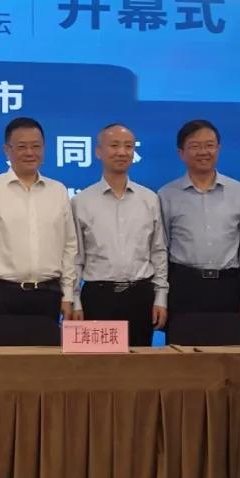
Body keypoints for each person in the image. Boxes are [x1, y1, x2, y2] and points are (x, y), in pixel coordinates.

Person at [0, 117, 76, 321]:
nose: (30, 153)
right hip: (2, 294)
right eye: (22, 147)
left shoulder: (58, 191)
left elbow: (69, 246)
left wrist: (68, 294)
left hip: (49, 294)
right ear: (7, 150)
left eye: (36, 146)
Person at [71, 123, 168, 346]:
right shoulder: (81, 202)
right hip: (98, 298)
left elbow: (158, 252)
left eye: (128, 146)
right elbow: (75, 259)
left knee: (139, 364)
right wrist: (75, 300)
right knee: (97, 364)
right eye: (114, 145)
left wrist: (160, 297)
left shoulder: (149, 199)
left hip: (140, 296)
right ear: (99, 152)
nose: (122, 152)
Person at [158, 120, 240, 339]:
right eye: (195, 146)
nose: (203, 152)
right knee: (182, 353)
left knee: (228, 354)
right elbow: (161, 249)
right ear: (181, 153)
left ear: (218, 149)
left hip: (228, 287)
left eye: (209, 145)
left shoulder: (238, 191)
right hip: (184, 286)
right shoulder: (166, 194)